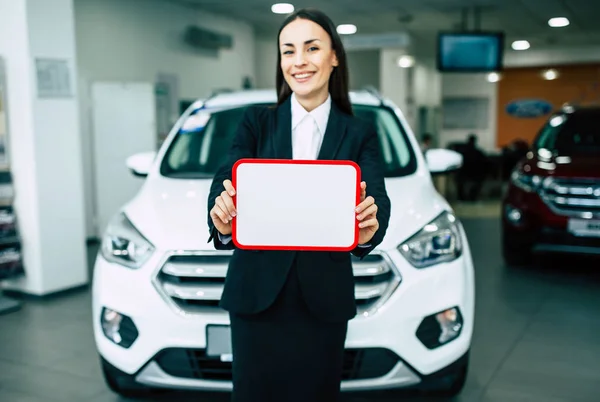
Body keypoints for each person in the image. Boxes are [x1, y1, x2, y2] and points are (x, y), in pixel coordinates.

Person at [206, 8, 391, 402]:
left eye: (312, 48)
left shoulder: (358, 132)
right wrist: (221, 217)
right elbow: (226, 179)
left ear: (334, 56)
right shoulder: (256, 123)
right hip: (256, 297)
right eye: (288, 51)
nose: (299, 61)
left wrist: (368, 227)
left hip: (322, 299)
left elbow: (376, 197)